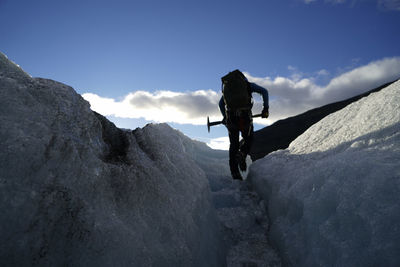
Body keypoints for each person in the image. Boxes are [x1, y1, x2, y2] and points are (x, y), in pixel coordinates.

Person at [219, 69, 269, 180]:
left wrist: (225, 117)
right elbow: (264, 91)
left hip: (231, 119)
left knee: (233, 145)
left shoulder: (228, 90)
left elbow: (221, 104)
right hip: (245, 117)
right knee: (249, 138)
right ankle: (243, 153)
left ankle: (235, 174)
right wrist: (265, 109)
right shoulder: (247, 85)